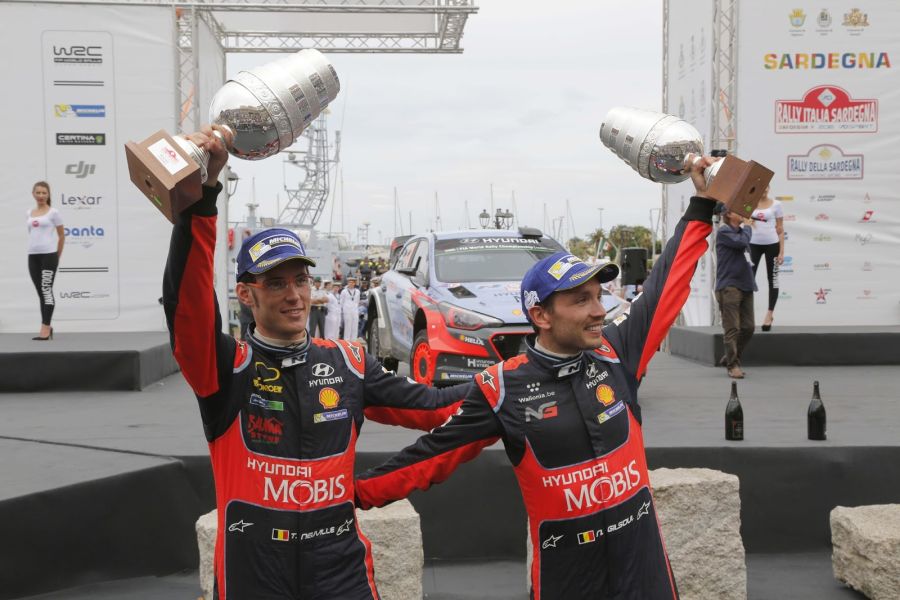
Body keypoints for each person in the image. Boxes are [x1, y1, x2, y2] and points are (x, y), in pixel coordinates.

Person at [355, 157, 719, 600]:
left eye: (599, 295)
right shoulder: (501, 388)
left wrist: (700, 205)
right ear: (541, 315)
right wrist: (352, 495)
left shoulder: (617, 353)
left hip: (645, 576)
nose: (600, 309)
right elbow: (427, 458)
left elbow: (668, 282)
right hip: (567, 581)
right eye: (581, 300)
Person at [162, 125, 467, 600]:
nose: (294, 295)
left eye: (300, 280)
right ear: (246, 293)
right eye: (276, 283)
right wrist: (203, 198)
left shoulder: (348, 362)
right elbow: (186, 309)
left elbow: (431, 407)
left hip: (339, 572)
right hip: (254, 575)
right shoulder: (227, 366)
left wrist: (504, 382)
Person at [715, 204, 757, 379]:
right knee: (732, 328)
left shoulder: (741, 233)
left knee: (748, 327)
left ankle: (731, 357)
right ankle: (733, 365)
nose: (743, 214)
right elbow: (741, 243)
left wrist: (746, 228)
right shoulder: (724, 232)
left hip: (746, 284)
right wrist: (748, 226)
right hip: (729, 287)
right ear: (728, 214)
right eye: (739, 211)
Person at [27, 181, 64, 340]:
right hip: (33, 256)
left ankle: (45, 329)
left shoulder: (53, 213)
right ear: (33, 194)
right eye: (38, 193)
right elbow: (32, 234)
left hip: (49, 255)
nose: (41, 196)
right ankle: (48, 326)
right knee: (41, 292)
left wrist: (57, 256)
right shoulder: (29, 213)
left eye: (44, 193)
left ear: (48, 195)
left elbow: (61, 235)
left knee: (46, 290)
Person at [749, 187, 784, 331]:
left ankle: (769, 314)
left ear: (769, 188)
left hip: (772, 245)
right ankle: (747, 315)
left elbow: (780, 229)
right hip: (753, 245)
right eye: (761, 186)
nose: (763, 189)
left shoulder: (776, 205)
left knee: (773, 279)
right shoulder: (749, 204)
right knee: (748, 280)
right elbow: (740, 220)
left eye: (766, 187)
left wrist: (782, 251)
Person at [340, 276, 360, 340]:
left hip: (355, 310)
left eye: (352, 282)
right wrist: (342, 311)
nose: (351, 284)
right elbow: (341, 302)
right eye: (349, 282)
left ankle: (354, 340)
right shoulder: (344, 291)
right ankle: (347, 341)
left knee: (355, 326)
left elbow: (357, 301)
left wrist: (356, 309)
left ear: (354, 283)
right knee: (348, 326)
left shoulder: (357, 291)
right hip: (347, 311)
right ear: (347, 283)